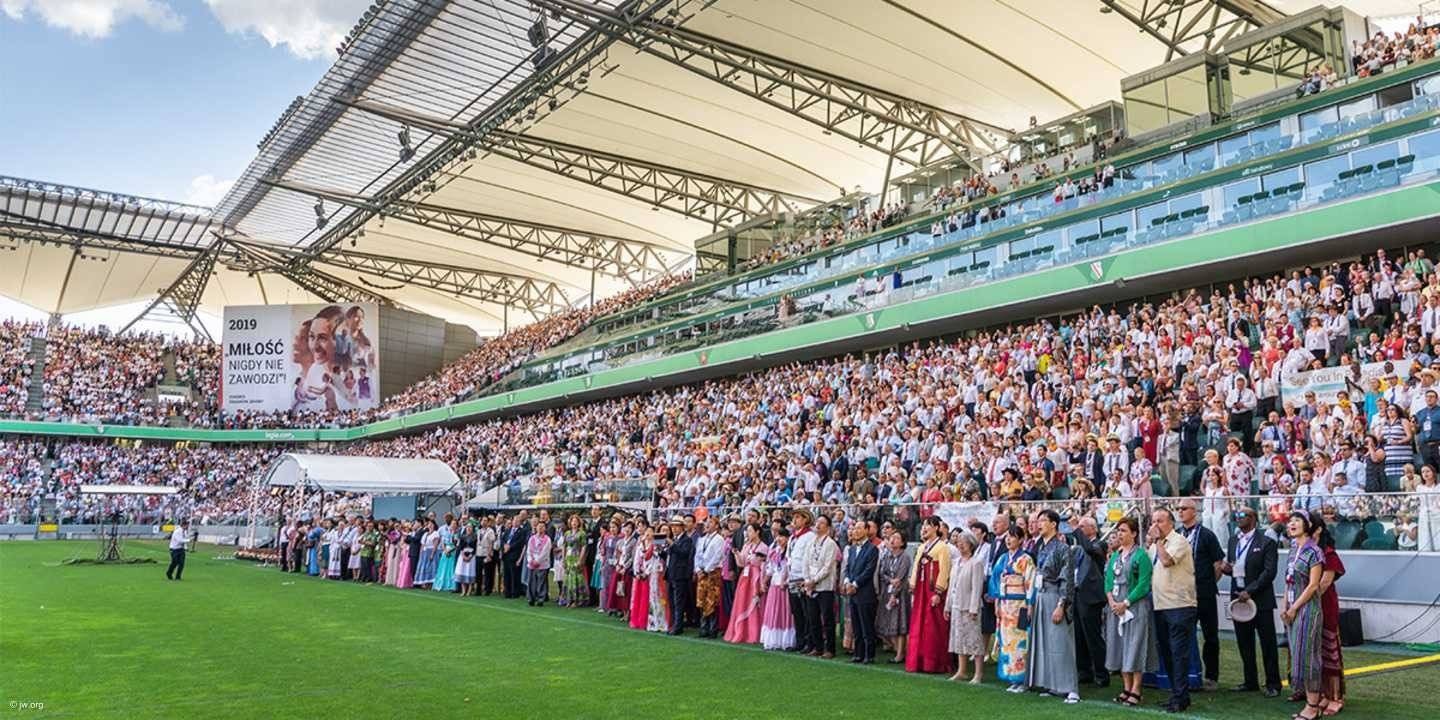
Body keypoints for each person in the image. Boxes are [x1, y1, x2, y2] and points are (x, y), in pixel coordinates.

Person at [1220, 506, 1281, 697]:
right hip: (1238, 598)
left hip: (1259, 600)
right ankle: (1250, 680)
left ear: (1253, 518)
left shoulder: (1266, 542)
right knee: (1244, 642)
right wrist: (1226, 569)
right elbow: (1234, 565)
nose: (1238, 518)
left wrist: (1251, 590)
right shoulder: (1233, 541)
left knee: (1267, 643)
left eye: (1242, 515)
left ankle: (1273, 683)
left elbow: (1269, 572)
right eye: (1236, 515)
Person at [1104, 516, 1158, 707]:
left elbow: (1144, 584)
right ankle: (1126, 687)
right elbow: (1108, 581)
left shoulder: (1141, 556)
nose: (1120, 534)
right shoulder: (1115, 557)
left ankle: (1136, 688)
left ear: (1134, 534)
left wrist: (1125, 603)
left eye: (1124, 530)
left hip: (1134, 607)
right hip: (1116, 608)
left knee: (1135, 645)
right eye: (1118, 530)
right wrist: (1111, 601)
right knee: (1120, 646)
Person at [1149, 507, 1197, 713]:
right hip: (1160, 605)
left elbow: (1167, 561)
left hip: (1179, 605)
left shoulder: (1179, 541)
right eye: (1153, 521)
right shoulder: (1154, 546)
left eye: (1160, 521)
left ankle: (1180, 696)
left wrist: (1158, 541)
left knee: (1179, 653)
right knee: (1167, 652)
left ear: (1171, 522)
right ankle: (1177, 694)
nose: (1156, 525)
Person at [1029, 509, 1079, 704]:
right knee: (1046, 643)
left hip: (1055, 595)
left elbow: (1066, 579)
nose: (1039, 524)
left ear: (1054, 524)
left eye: (1043, 520)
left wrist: (1061, 604)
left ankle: (1071, 688)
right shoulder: (1041, 547)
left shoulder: (1062, 548)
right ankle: (1052, 684)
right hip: (1041, 595)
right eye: (1038, 520)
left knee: (1061, 643)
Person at [1177, 498, 1224, 691]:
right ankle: (1187, 674)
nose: (1180, 511)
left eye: (1184, 508)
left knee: (1210, 635)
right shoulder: (1177, 535)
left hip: (1204, 594)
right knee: (1184, 634)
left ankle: (1211, 676)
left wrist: (1206, 583)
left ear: (1194, 511)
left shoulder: (1206, 535)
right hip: (1182, 594)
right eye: (1178, 508)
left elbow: (1218, 564)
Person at [1283, 511, 1326, 720]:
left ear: (1307, 525)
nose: (1291, 523)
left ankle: (1312, 705)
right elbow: (1288, 581)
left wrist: (1294, 608)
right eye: (1290, 520)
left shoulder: (1314, 552)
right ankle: (1309, 702)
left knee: (1309, 656)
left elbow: (1312, 586)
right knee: (1297, 654)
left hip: (1308, 610)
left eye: (1296, 520)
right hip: (1293, 609)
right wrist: (1285, 606)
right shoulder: (1293, 549)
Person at [991, 524, 1035, 692]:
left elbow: (1030, 582)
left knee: (1020, 640)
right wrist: (997, 601)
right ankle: (1011, 676)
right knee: (1007, 640)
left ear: (1021, 540)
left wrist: (1030, 603)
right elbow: (996, 581)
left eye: (1013, 536)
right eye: (1007, 537)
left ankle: (1022, 679)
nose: (1008, 540)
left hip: (1020, 604)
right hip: (1005, 604)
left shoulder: (1026, 559)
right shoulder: (1003, 558)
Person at [907, 515, 953, 674]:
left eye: (928, 525)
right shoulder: (921, 547)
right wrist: (912, 585)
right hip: (921, 590)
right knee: (919, 623)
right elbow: (915, 567)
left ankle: (934, 662)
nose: (924, 529)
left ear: (936, 528)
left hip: (932, 590)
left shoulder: (942, 547)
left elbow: (944, 570)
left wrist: (938, 592)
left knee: (933, 626)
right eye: (923, 526)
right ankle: (918, 661)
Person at [1312, 511, 1347, 716]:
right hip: (1308, 605)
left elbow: (1324, 583)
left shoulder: (1328, 553)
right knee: (1315, 652)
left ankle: (1335, 696)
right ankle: (1323, 693)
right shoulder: (1303, 550)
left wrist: (1305, 599)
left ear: (1316, 529)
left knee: (1329, 651)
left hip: (1324, 605)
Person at [1071, 515, 1110, 689]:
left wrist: (1076, 530)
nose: (1079, 529)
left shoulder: (1100, 544)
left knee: (1093, 637)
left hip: (1092, 597)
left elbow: (1090, 549)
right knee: (1079, 636)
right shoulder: (1078, 546)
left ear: (1093, 528)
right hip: (1078, 593)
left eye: (1082, 526)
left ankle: (1101, 673)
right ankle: (1084, 671)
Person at [946, 530, 986, 684]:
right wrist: (947, 606)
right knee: (959, 639)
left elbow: (977, 588)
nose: (960, 544)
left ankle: (978, 673)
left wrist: (974, 608)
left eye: (964, 542)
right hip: (956, 604)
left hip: (969, 606)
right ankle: (961, 671)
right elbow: (951, 585)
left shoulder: (976, 563)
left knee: (974, 640)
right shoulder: (956, 562)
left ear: (971, 544)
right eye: (959, 541)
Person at [803, 513, 840, 658]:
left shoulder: (831, 544)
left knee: (827, 618)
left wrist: (813, 580)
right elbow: (805, 562)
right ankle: (817, 646)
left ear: (828, 527)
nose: (818, 525)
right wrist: (807, 580)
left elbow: (827, 567)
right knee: (813, 617)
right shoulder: (811, 542)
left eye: (822, 523)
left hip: (824, 586)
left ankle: (830, 649)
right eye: (817, 522)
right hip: (810, 585)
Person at [724, 523, 768, 644]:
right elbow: (741, 563)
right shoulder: (746, 545)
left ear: (757, 532)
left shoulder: (763, 547)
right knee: (742, 601)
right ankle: (741, 630)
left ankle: (754, 632)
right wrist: (736, 554)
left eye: (750, 531)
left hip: (756, 576)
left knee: (754, 603)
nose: (748, 534)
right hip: (745, 576)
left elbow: (762, 564)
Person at [842, 519, 878, 663]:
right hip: (853, 593)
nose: (855, 531)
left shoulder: (872, 549)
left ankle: (869, 655)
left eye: (859, 528)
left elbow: (869, 571)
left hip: (865, 593)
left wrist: (855, 584)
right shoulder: (851, 549)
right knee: (856, 625)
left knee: (866, 626)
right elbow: (848, 568)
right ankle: (858, 653)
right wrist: (847, 582)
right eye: (854, 528)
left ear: (866, 530)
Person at [876, 529, 911, 663]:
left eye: (896, 538)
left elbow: (901, 577)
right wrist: (890, 580)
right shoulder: (887, 555)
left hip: (900, 593)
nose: (892, 540)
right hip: (887, 590)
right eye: (892, 537)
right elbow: (882, 572)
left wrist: (895, 592)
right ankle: (896, 648)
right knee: (888, 620)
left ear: (902, 542)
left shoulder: (905, 557)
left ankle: (901, 653)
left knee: (900, 622)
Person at [760, 527, 795, 650]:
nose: (779, 539)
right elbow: (770, 569)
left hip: (784, 586)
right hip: (774, 585)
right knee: (774, 611)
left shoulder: (790, 552)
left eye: (782, 536)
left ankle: (786, 640)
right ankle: (774, 639)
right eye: (777, 536)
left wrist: (786, 580)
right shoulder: (775, 552)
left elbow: (790, 568)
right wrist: (764, 582)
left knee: (785, 612)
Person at [787, 509, 816, 653]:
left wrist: (807, 578)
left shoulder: (810, 536)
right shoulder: (793, 537)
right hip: (792, 578)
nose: (795, 520)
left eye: (798, 517)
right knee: (797, 613)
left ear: (805, 520)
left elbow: (809, 558)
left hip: (803, 579)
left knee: (807, 613)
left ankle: (809, 642)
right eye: (794, 517)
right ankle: (799, 641)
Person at [662, 517, 695, 635]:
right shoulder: (675, 539)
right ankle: (674, 624)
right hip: (671, 574)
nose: (674, 529)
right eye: (673, 526)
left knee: (678, 602)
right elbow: (668, 556)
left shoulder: (687, 540)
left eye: (676, 526)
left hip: (680, 575)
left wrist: (672, 544)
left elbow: (684, 554)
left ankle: (678, 626)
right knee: (672, 601)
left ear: (682, 527)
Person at [694, 516, 726, 637]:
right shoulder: (701, 539)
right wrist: (698, 569)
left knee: (712, 599)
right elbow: (697, 555)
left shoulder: (719, 539)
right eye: (707, 523)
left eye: (711, 523)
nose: (707, 525)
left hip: (713, 572)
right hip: (702, 572)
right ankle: (704, 627)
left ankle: (713, 628)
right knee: (701, 599)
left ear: (717, 526)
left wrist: (707, 569)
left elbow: (717, 556)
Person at [630, 526, 656, 630]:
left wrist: (647, 572)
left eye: (650, 532)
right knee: (638, 597)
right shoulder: (641, 545)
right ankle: (636, 620)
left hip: (649, 575)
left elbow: (654, 561)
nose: (648, 534)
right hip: (640, 575)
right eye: (647, 532)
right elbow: (636, 559)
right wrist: (637, 571)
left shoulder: (655, 546)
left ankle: (646, 621)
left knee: (647, 598)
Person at [525, 517, 553, 606]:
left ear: (545, 528)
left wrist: (537, 561)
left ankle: (541, 598)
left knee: (541, 582)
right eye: (539, 526)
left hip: (542, 564)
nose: (540, 528)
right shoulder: (532, 538)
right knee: (531, 581)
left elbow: (545, 552)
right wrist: (530, 560)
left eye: (542, 527)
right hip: (532, 563)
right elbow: (529, 550)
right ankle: (531, 598)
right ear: (536, 528)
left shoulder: (547, 539)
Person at [562, 514, 587, 607]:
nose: (574, 523)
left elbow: (584, 546)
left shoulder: (582, 533)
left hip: (576, 556)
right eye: (573, 521)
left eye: (576, 522)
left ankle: (577, 600)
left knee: (576, 579)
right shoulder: (567, 533)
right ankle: (568, 599)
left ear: (579, 523)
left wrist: (581, 559)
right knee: (568, 579)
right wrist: (563, 558)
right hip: (568, 557)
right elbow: (564, 545)